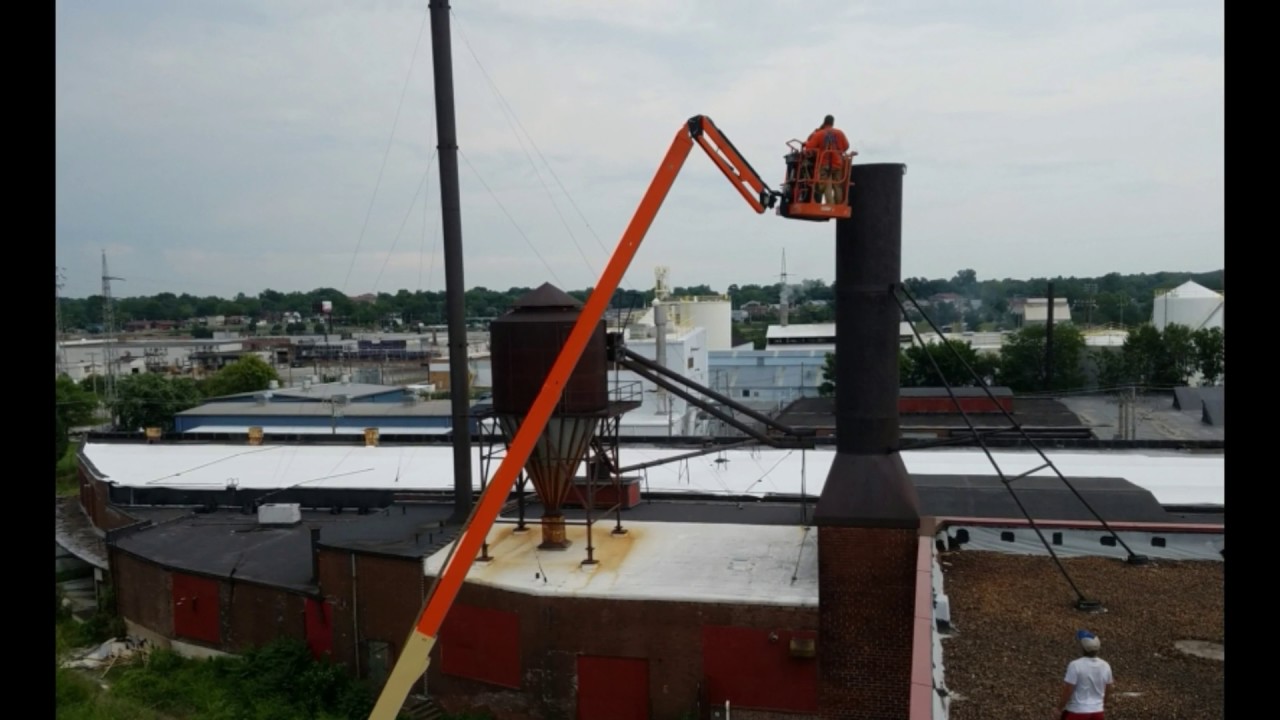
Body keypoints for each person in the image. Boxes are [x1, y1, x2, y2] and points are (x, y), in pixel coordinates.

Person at [1057, 630, 1113, 719]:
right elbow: (1108, 688)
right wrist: (1102, 705)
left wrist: (1059, 708)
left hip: (1077, 711)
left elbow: (1068, 689)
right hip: (1097, 712)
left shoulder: (1075, 665)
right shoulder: (1105, 665)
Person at [803, 115, 851, 204]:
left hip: (824, 164)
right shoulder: (840, 133)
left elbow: (809, 148)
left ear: (824, 122)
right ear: (833, 123)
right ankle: (839, 207)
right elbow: (846, 146)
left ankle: (830, 207)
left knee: (826, 186)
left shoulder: (819, 134)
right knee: (838, 187)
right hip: (838, 164)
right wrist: (838, 152)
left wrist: (806, 144)